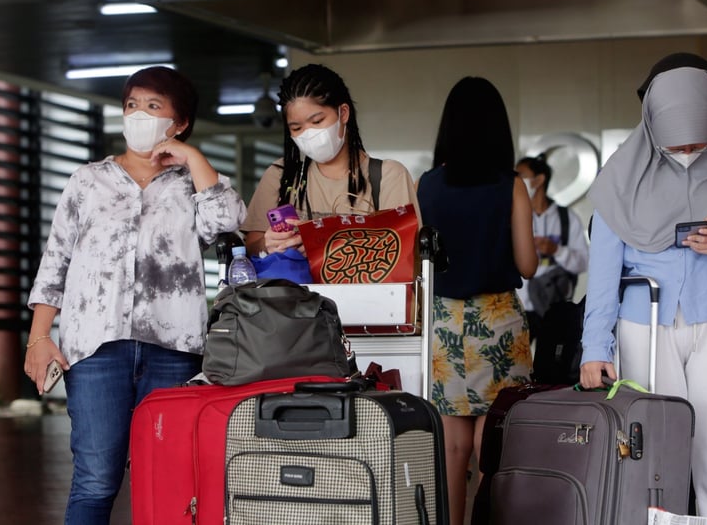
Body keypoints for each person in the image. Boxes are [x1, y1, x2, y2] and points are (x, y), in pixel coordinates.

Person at [24, 66, 247, 524]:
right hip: (96, 350)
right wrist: (39, 337)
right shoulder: (87, 181)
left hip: (173, 352)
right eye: (131, 105)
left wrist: (193, 158)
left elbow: (226, 224)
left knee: (170, 482)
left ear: (178, 122)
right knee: (95, 481)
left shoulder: (194, 184)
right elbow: (56, 261)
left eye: (152, 106)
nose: (138, 115)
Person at [579, 60, 707, 525]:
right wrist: (595, 348)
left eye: (697, 141)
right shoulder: (621, 176)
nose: (688, 151)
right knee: (655, 460)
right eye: (676, 143)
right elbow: (605, 275)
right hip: (645, 325)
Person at [416, 76, 537, 525]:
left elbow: (419, 263)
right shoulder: (511, 185)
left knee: (451, 446)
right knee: (493, 445)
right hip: (499, 322)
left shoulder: (426, 185)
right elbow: (527, 265)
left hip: (444, 324)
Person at [241, 63, 419, 257]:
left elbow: (404, 253)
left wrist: (319, 240)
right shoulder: (280, 176)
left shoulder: (387, 177)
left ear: (343, 113)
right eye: (296, 128)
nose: (308, 134)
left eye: (317, 121)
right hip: (294, 287)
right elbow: (249, 249)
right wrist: (268, 245)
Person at [514, 154, 589, 342]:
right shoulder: (511, 215)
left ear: (539, 180)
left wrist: (557, 250)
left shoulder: (566, 218)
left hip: (555, 306)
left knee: (551, 365)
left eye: (520, 175)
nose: (514, 180)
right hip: (519, 306)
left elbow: (583, 262)